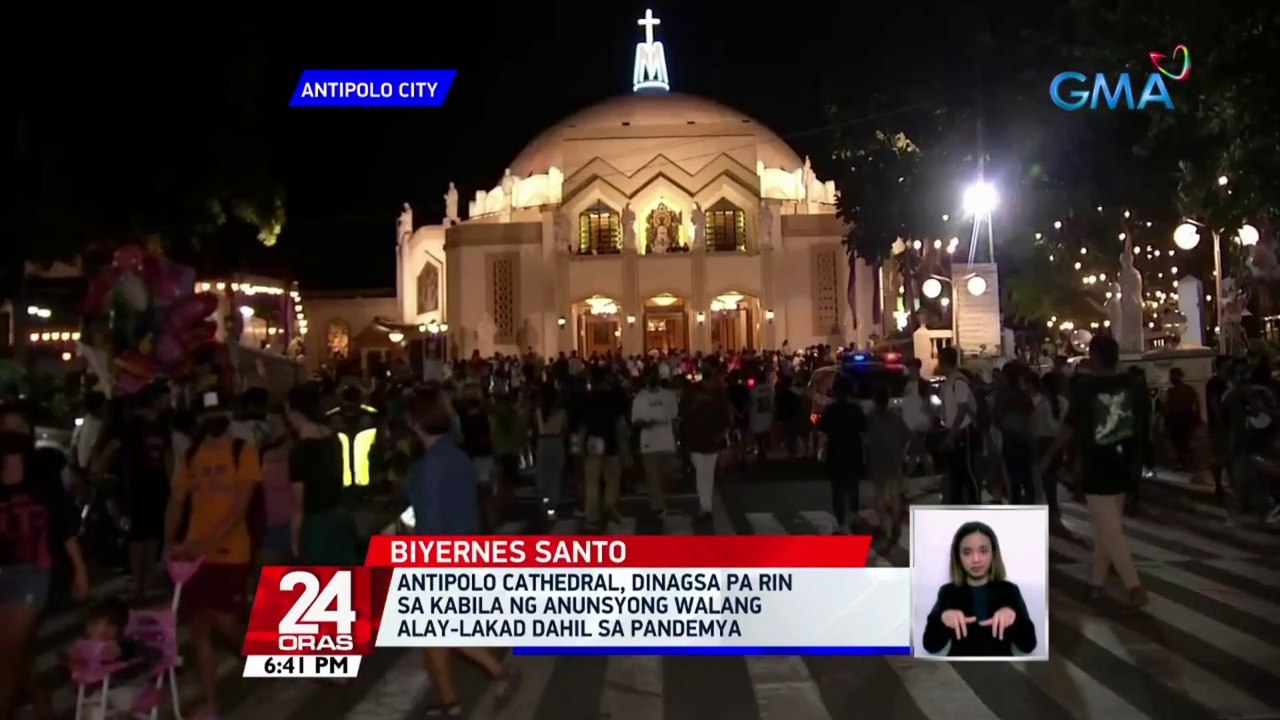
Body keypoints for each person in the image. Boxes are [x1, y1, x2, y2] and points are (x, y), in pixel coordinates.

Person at [405, 387, 521, 717]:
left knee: (439, 630)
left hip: (439, 554)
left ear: (416, 423)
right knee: (438, 635)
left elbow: (429, 520)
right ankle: (450, 702)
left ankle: (497, 673)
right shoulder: (456, 456)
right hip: (463, 546)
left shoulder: (430, 466)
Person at [164, 389, 260, 718]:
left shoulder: (242, 452)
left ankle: (252, 654)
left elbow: (239, 509)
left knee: (225, 622)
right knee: (199, 626)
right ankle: (211, 702)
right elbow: (177, 501)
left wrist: (203, 544)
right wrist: (170, 543)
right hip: (194, 555)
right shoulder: (192, 455)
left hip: (230, 552)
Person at [1039, 335, 1149, 610]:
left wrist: (1051, 454)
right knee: (1106, 525)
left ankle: (1134, 585)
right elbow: (1142, 425)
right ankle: (1096, 583)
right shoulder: (1132, 385)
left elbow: (1070, 427)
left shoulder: (1087, 389)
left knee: (1109, 527)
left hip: (1096, 462)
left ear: (1095, 356)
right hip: (1124, 461)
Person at [0, 404, 90, 719]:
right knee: (19, 655)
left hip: (34, 572)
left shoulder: (43, 470)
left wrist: (79, 569)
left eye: (19, 428)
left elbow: (65, 524)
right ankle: (43, 708)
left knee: (8, 652)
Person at [921, 521, 1037, 657]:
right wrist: (941, 619)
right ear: (958, 557)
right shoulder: (947, 592)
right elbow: (930, 646)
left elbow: (1028, 646)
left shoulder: (1010, 590)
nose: (976, 559)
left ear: (993, 553)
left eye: (983, 551)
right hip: (962, 671)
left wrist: (1014, 618)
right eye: (967, 552)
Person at [284, 384, 357, 566]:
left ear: (294, 412)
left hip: (316, 527)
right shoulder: (334, 440)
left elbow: (298, 506)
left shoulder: (300, 452)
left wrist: (294, 540)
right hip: (340, 520)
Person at [681, 367, 733, 522]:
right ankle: (706, 505)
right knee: (706, 474)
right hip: (710, 439)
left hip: (698, 439)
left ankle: (705, 506)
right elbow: (727, 417)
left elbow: (683, 414)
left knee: (702, 473)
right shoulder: (718, 395)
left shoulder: (693, 393)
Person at [817, 375, 865, 533]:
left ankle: (841, 522)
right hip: (854, 452)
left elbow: (823, 433)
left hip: (836, 452)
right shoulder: (856, 409)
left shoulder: (830, 410)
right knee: (853, 488)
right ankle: (853, 517)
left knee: (837, 490)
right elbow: (865, 432)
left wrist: (820, 452)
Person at [863, 385, 906, 546]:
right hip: (894, 458)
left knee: (879, 492)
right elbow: (905, 436)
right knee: (895, 493)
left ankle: (883, 525)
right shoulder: (896, 417)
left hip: (877, 458)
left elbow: (866, 440)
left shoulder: (871, 418)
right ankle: (895, 522)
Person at [631, 369, 677, 518]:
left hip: (666, 442)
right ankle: (658, 505)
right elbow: (635, 420)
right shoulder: (640, 398)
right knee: (652, 476)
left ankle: (657, 496)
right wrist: (645, 423)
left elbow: (674, 416)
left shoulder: (669, 396)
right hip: (648, 444)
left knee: (667, 475)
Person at [937, 347, 979, 504]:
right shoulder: (949, 381)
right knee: (955, 473)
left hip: (962, 432)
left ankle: (974, 504)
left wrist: (951, 434)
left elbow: (962, 410)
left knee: (967, 471)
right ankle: (956, 504)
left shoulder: (958, 382)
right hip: (953, 431)